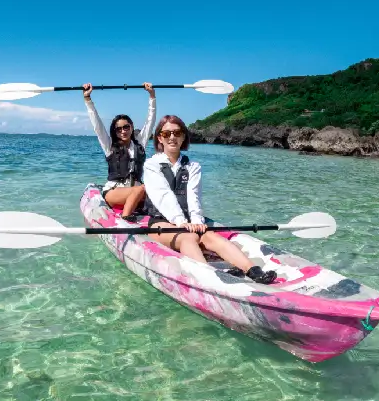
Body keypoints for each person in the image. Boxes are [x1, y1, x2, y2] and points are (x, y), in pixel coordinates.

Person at [141, 115, 279, 284]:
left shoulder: (193, 167)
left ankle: (254, 271)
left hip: (188, 221)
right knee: (188, 238)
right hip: (160, 223)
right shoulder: (151, 165)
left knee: (211, 237)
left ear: (183, 137)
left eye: (177, 133)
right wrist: (180, 222)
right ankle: (212, 278)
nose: (172, 137)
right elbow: (163, 196)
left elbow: (194, 196)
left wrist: (197, 221)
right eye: (167, 133)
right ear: (160, 138)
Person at [83, 82, 156, 220]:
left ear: (131, 127)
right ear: (115, 131)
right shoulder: (109, 146)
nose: (123, 131)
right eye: (119, 129)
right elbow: (97, 126)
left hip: (137, 192)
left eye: (126, 127)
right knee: (142, 188)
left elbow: (150, 121)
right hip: (114, 192)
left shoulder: (139, 144)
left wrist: (152, 96)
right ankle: (126, 217)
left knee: (155, 188)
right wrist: (88, 100)